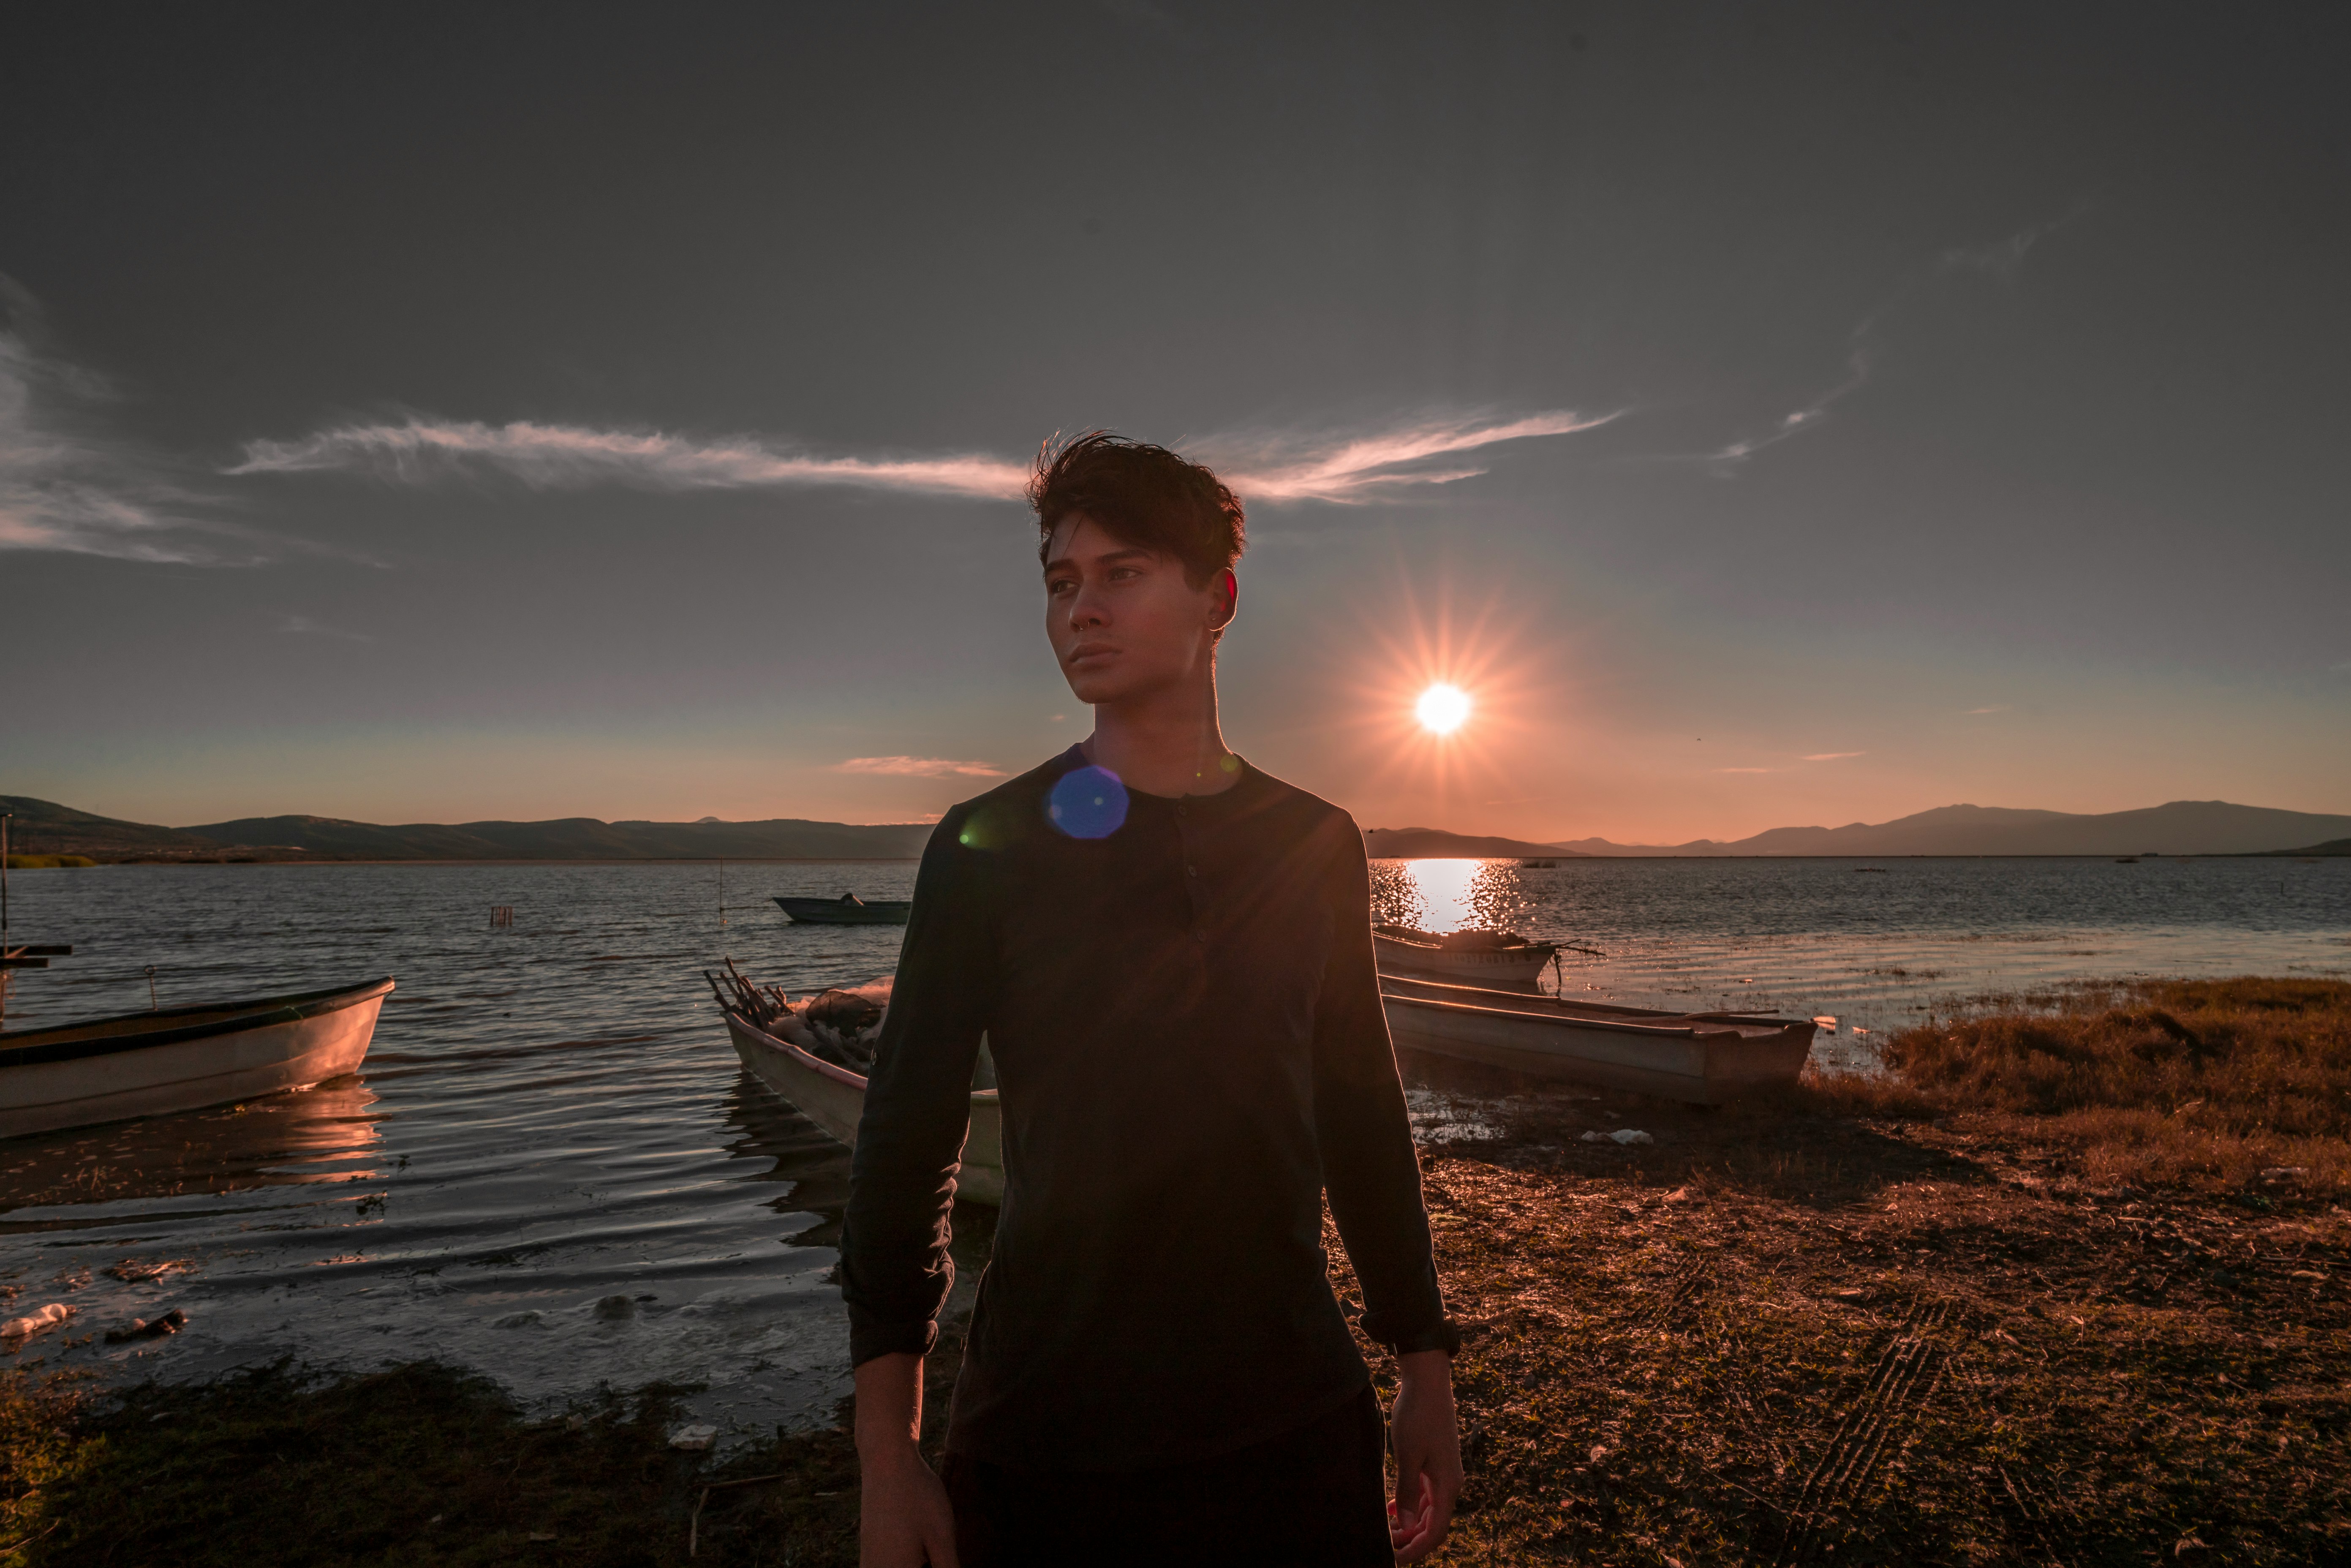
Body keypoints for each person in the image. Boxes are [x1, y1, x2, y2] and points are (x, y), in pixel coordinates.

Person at [843, 432, 1462, 1566]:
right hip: (1048, 1441)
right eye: (1061, 583)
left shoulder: (1315, 843)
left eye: (1121, 573)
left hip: (1293, 1429)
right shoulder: (988, 845)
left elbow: (1362, 1111)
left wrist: (1423, 1359)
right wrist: (889, 1455)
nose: (1082, 610)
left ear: (1218, 597)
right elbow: (905, 1142)